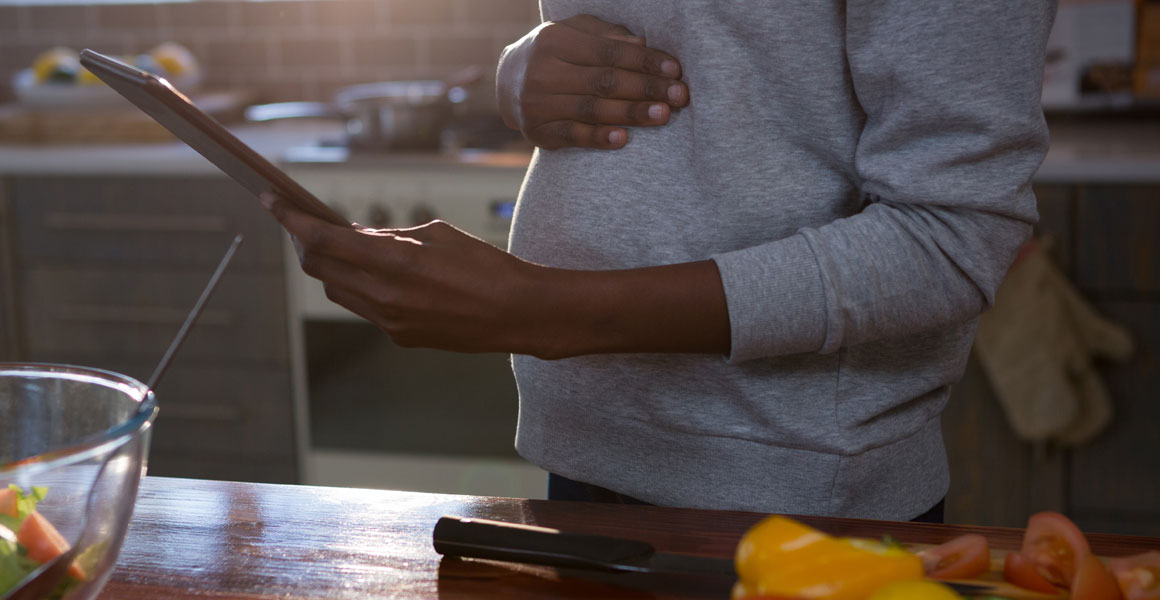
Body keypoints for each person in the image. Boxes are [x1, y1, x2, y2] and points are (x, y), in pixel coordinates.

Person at [262, 0, 1056, 521]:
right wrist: (522, 73)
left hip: (797, 493)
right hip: (582, 453)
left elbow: (952, 236)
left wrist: (545, 313)